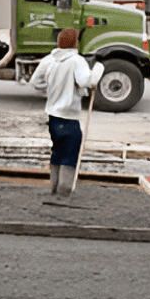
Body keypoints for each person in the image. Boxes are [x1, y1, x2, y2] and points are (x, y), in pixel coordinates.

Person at [29, 29, 104, 196]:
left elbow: (35, 81)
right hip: (69, 117)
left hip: (53, 116)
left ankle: (53, 186)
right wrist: (99, 68)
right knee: (69, 154)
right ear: (75, 43)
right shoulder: (77, 61)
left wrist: (51, 86)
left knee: (57, 151)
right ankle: (64, 190)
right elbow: (86, 81)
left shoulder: (49, 60)